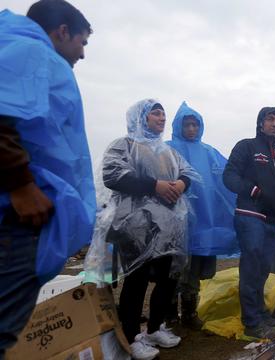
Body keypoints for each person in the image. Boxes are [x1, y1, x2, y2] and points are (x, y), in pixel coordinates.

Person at [0, 1, 95, 356]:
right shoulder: (28, 50)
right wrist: (20, 184)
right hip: (15, 218)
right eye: (82, 42)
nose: (82, 54)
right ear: (63, 31)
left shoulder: (21, 50)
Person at [103, 99, 198, 360]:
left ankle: (155, 328)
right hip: (135, 226)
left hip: (168, 228)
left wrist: (181, 184)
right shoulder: (123, 145)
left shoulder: (167, 151)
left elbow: (188, 172)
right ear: (140, 117)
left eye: (163, 114)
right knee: (137, 280)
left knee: (168, 278)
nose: (162, 118)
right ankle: (131, 337)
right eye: (156, 113)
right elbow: (111, 175)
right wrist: (154, 185)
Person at [166, 101, 237, 329]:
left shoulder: (209, 153)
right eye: (187, 125)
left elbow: (226, 180)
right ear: (179, 126)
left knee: (195, 269)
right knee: (173, 270)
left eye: (195, 125)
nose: (191, 129)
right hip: (175, 223)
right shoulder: (167, 149)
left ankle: (189, 313)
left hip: (203, 222)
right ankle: (169, 315)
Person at [223, 107, 275, 341]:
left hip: (271, 219)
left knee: (263, 268)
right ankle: (252, 322)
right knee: (251, 266)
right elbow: (229, 176)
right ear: (260, 124)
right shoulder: (247, 146)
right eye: (270, 119)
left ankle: (261, 314)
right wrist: (252, 190)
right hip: (249, 214)